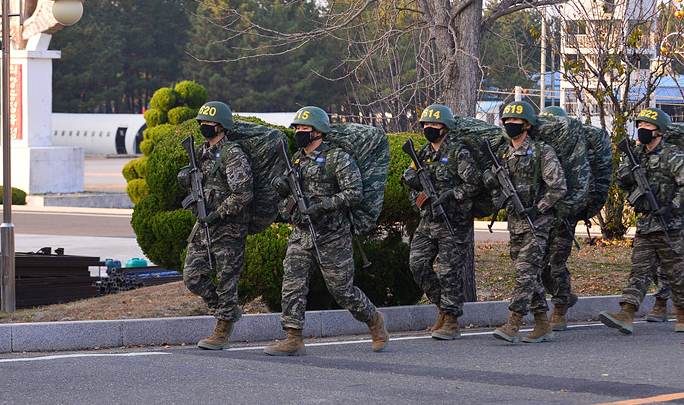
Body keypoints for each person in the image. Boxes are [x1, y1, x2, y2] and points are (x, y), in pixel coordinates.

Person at [266, 106, 387, 355]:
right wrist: (281, 189)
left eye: (304, 128)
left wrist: (322, 205)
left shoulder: (337, 158)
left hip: (332, 234)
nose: (299, 132)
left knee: (342, 291)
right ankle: (293, 336)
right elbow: (285, 192)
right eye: (297, 128)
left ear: (318, 131)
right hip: (302, 234)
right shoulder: (296, 159)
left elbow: (354, 192)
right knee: (292, 283)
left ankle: (374, 320)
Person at [484, 101, 567, 343]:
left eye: (516, 121)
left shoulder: (542, 151)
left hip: (538, 224)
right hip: (515, 224)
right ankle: (542, 323)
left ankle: (514, 323)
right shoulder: (503, 154)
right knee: (531, 276)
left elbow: (558, 187)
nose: (511, 125)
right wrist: (493, 185)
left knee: (524, 273)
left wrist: (537, 208)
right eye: (507, 121)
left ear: (527, 125)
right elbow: (493, 185)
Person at [598, 108, 684, 334]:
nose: (642, 129)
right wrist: (629, 169)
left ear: (660, 131)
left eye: (648, 126)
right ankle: (626, 312)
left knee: (677, 273)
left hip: (671, 224)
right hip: (647, 223)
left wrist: (672, 206)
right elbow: (622, 181)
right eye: (641, 125)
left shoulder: (672, 155)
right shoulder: (637, 153)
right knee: (639, 270)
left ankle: (683, 314)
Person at [402, 104, 482, 340]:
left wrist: (450, 195)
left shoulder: (459, 152)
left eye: (434, 125)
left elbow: (474, 185)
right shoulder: (421, 154)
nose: (429, 128)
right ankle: (441, 307)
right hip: (428, 221)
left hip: (453, 222)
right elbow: (409, 178)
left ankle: (452, 319)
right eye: (426, 124)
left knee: (450, 272)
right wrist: (416, 189)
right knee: (417, 264)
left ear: (445, 128)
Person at [177, 102, 253, 350]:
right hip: (204, 225)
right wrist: (185, 177)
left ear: (220, 126)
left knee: (226, 280)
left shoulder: (233, 155)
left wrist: (218, 214)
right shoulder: (200, 151)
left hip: (228, 228)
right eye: (201, 123)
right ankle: (225, 309)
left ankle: (222, 329)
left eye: (207, 123)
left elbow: (243, 194)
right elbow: (193, 182)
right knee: (192, 276)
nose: (203, 127)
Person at [538, 105, 580, 330]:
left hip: (563, 215)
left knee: (556, 263)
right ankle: (561, 293)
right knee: (538, 264)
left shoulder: (572, 152)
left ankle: (560, 308)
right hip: (540, 216)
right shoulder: (538, 150)